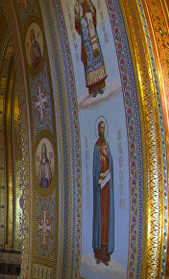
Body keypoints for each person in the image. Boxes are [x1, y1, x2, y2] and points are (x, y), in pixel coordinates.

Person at [74, 0, 107, 97]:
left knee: (97, 60)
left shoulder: (89, 2)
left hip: (93, 38)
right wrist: (79, 16)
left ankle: (100, 86)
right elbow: (76, 24)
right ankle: (93, 89)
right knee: (88, 62)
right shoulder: (77, 6)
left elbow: (94, 12)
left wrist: (91, 13)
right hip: (86, 41)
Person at [92, 119, 113, 265]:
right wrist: (99, 174)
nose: (102, 131)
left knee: (107, 220)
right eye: (100, 128)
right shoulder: (96, 146)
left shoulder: (107, 146)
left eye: (104, 128)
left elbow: (110, 161)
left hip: (107, 188)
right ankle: (99, 254)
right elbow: (94, 167)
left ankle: (106, 256)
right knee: (100, 220)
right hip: (100, 188)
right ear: (98, 130)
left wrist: (108, 171)